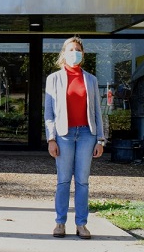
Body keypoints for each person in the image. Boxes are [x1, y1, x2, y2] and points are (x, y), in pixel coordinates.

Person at [45, 36, 105, 240]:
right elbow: (49, 113)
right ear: (64, 53)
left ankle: (81, 224)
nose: (74, 53)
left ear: (83, 54)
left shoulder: (91, 79)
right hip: (64, 134)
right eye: (70, 50)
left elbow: (97, 111)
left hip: (87, 134)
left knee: (82, 181)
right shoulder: (53, 79)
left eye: (77, 50)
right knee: (63, 180)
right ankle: (60, 223)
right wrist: (51, 139)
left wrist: (100, 139)